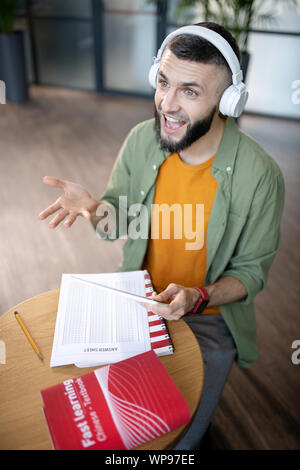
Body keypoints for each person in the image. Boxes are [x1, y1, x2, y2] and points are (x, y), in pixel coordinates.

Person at [39, 22, 285, 449]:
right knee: (98, 421)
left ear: (227, 101)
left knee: (178, 441)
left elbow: (250, 275)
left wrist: (197, 296)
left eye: (190, 91)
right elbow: (118, 220)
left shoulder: (261, 177)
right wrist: (97, 209)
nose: (166, 105)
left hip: (207, 320)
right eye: (164, 82)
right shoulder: (141, 141)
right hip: (136, 300)